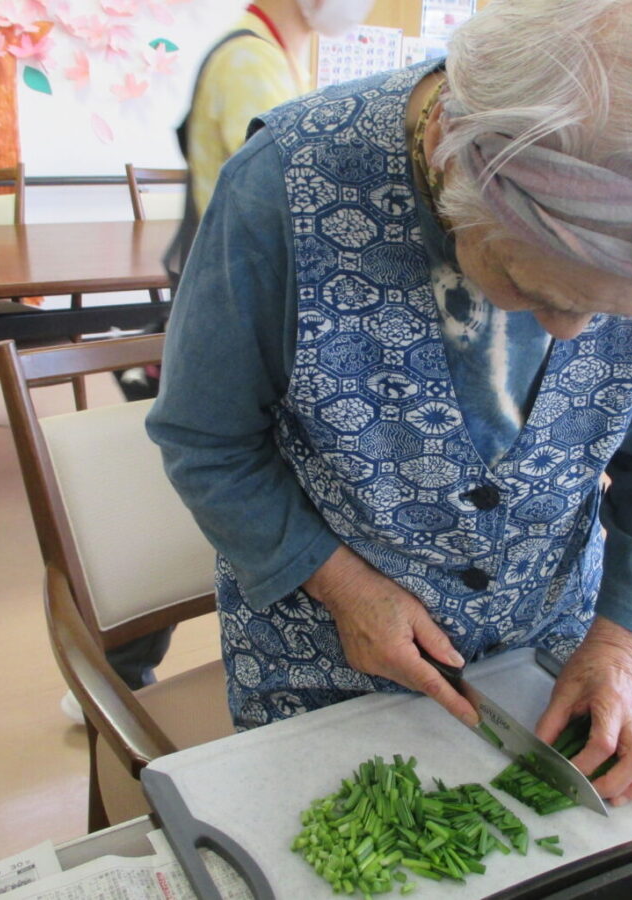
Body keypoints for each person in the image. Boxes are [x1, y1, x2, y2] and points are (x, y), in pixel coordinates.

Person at [147, 0, 632, 806]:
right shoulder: (286, 186)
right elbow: (205, 439)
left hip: (550, 664)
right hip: (327, 662)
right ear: (452, 161)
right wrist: (346, 588)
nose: (575, 336)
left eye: (615, 314)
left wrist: (619, 645)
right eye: (534, 289)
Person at [69, 0, 376, 723]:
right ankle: (116, 674)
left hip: (240, 313)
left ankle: (121, 667)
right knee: (210, 488)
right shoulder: (250, 64)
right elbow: (303, 218)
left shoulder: (276, 54)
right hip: (241, 324)